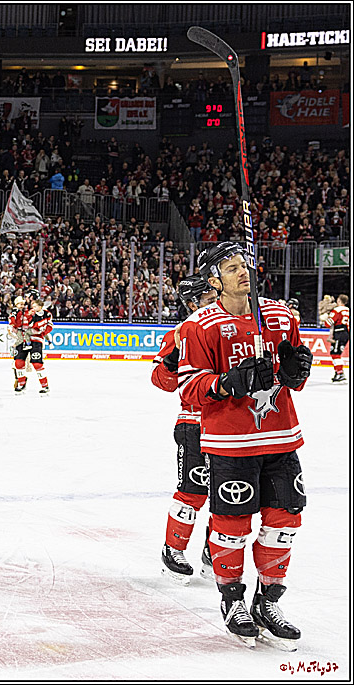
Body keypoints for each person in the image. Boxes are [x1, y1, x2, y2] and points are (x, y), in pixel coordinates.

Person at [178, 242, 313, 650]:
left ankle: (267, 601)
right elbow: (188, 387)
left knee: (284, 523)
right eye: (232, 267)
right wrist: (226, 382)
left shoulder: (279, 315)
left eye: (244, 265)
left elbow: (295, 378)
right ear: (214, 280)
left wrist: (295, 372)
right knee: (232, 528)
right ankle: (232, 600)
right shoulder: (199, 326)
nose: (243, 272)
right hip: (230, 444)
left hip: (281, 439)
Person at [151, 274, 218, 584]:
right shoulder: (180, 333)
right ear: (193, 303)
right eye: (208, 298)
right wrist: (174, 359)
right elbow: (161, 381)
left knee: (227, 496)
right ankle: (173, 549)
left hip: (232, 427)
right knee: (193, 490)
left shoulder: (229, 326)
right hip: (195, 424)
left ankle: (214, 550)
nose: (215, 301)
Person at [11, 288, 53, 394]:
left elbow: (49, 325)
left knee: (37, 364)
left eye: (27, 297)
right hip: (23, 339)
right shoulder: (22, 310)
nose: (25, 299)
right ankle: (21, 383)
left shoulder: (44, 313)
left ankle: (45, 385)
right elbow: (15, 322)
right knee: (18, 362)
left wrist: (41, 333)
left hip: (36, 340)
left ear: (32, 298)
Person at [322, 294, 349, 382]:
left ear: (339, 300)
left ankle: (340, 373)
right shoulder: (348, 310)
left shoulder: (337, 310)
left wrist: (325, 319)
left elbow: (328, 323)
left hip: (339, 332)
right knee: (336, 353)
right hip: (345, 333)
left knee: (335, 354)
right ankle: (338, 372)